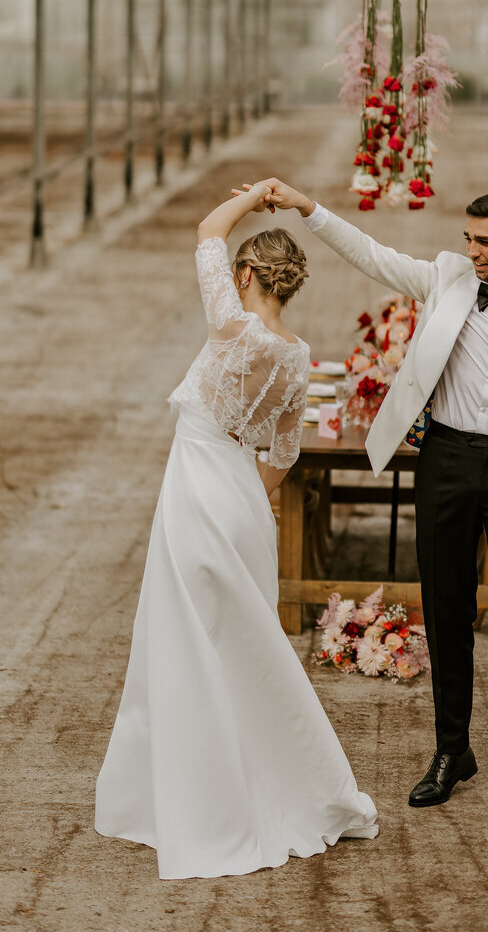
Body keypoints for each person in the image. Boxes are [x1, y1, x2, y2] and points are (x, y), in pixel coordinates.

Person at [233, 179, 488, 827]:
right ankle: (453, 751)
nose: (472, 250)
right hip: (446, 460)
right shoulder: (449, 278)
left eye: (485, 241)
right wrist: (307, 207)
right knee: (446, 610)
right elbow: (369, 253)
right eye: (468, 239)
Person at [95, 183, 378, 880]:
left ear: (246, 275)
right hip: (241, 498)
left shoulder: (230, 324)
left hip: (194, 489)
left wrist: (255, 194)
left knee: (185, 637)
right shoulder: (298, 354)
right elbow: (282, 454)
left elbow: (205, 228)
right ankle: (283, 781)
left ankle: (199, 799)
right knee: (243, 646)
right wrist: (244, 503)